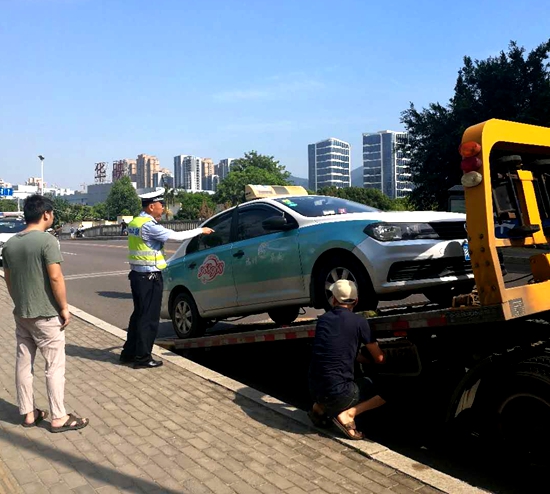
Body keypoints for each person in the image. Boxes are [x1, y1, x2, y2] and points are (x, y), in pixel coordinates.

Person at [2, 195, 89, 433]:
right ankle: (59, 417)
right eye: (52, 213)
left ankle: (28, 413)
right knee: (54, 366)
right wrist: (63, 307)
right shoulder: (47, 241)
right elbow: (55, 277)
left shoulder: (10, 244)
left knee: (23, 363)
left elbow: (8, 280)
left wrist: (20, 302)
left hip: (22, 313)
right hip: (47, 315)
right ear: (46, 214)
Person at [120, 191, 214, 369]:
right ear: (151, 207)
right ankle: (142, 358)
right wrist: (201, 230)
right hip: (149, 277)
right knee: (149, 318)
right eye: (160, 205)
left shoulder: (135, 222)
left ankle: (128, 353)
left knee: (139, 315)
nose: (163, 208)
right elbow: (175, 236)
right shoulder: (148, 225)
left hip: (138, 276)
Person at [308, 279, 386, 440]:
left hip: (315, 390)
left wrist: (363, 359)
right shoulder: (360, 322)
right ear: (356, 301)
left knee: (331, 383)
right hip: (340, 394)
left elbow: (342, 352)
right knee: (386, 389)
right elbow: (379, 359)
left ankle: (320, 408)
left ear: (334, 300)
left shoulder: (323, 321)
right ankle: (349, 414)